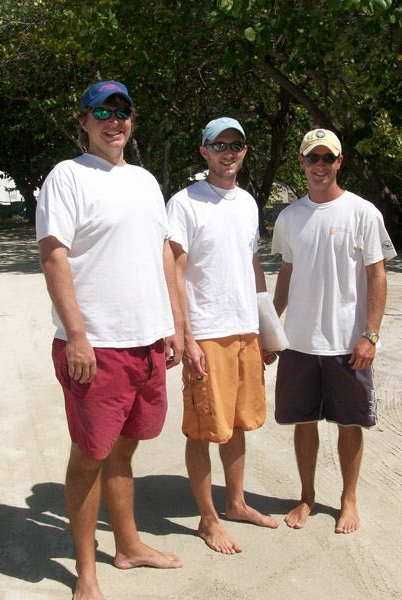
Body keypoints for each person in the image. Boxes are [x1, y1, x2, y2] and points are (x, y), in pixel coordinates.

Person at [36, 80, 184, 600]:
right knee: (90, 456)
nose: (114, 121)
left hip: (145, 342)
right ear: (83, 121)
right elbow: (53, 255)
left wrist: (173, 324)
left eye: (122, 111)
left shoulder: (144, 180)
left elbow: (162, 252)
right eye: (102, 112)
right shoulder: (67, 176)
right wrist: (76, 335)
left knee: (124, 449)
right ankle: (86, 572)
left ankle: (128, 546)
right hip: (95, 348)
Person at [271, 128, 396, 534]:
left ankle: (348, 499)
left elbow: (376, 276)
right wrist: (271, 327)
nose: (320, 165)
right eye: (313, 157)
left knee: (349, 423)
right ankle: (306, 496)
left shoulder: (363, 213)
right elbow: (286, 273)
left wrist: (370, 335)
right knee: (303, 422)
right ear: (302, 162)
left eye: (328, 157)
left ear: (340, 162)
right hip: (299, 342)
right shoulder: (289, 217)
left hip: (348, 343)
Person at [166, 117, 279, 555]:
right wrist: (186, 336)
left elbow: (252, 266)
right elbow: (175, 271)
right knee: (202, 429)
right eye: (219, 145)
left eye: (236, 145)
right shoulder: (184, 203)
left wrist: (267, 328)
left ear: (245, 151)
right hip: (207, 333)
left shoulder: (248, 203)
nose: (228, 152)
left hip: (245, 330)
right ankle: (208, 520)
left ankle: (236, 503)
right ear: (204, 151)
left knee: (237, 423)